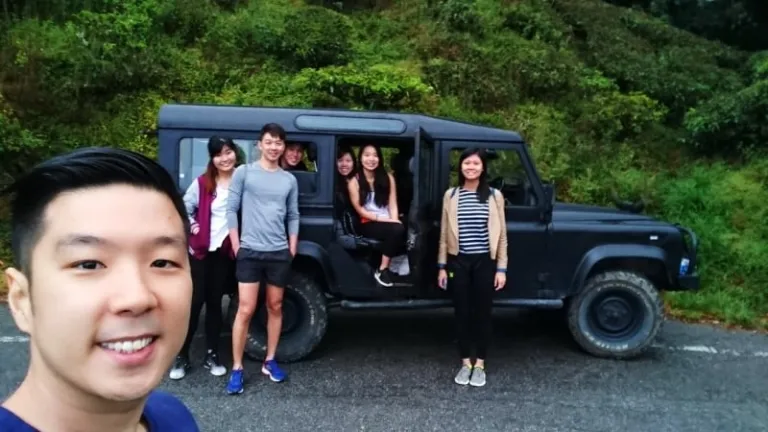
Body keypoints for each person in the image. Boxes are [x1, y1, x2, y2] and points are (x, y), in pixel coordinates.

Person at [0, 147, 199, 431]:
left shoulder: (173, 415)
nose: (137, 297)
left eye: (162, 262)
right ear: (21, 300)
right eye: (89, 264)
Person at [225, 123, 300, 395]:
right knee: (245, 309)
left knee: (276, 306)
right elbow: (231, 209)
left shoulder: (288, 180)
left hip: (278, 252)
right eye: (269, 142)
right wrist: (236, 244)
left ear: (283, 146)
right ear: (260, 144)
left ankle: (270, 360)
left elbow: (293, 214)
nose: (273, 147)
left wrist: (292, 246)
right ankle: (237, 368)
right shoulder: (244, 172)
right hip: (250, 251)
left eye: (278, 143)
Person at [169, 136, 241, 381]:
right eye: (219, 154)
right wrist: (194, 226)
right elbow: (184, 208)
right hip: (200, 252)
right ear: (212, 158)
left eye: (228, 152)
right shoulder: (202, 183)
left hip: (223, 252)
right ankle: (182, 355)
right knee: (195, 302)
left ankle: (212, 354)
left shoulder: (241, 180)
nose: (225, 158)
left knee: (214, 303)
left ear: (235, 153)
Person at [437, 147, 508, 388]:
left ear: (483, 167)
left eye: (476, 163)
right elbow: (444, 235)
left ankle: (480, 364)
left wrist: (501, 269)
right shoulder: (451, 195)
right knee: (462, 312)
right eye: (467, 163)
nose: (471, 167)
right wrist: (442, 266)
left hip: (485, 261)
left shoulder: (495, 196)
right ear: (461, 166)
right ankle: (466, 362)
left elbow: (502, 236)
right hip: (458, 261)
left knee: (483, 313)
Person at [347, 143, 404, 287]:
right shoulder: (354, 181)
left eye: (375, 155)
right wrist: (384, 220)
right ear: (360, 158)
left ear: (379, 158)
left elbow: (392, 204)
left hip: (387, 219)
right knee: (396, 229)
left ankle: (397, 263)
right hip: (367, 222)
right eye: (367, 155)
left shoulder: (388, 177)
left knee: (407, 225)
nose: (371, 159)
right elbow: (360, 210)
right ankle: (382, 269)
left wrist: (394, 219)